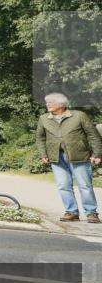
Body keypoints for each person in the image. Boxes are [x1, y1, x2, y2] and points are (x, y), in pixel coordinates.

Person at [36, 93, 102, 223]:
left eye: (50, 102)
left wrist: (97, 154)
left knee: (85, 185)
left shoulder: (79, 116)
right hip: (56, 157)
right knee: (63, 185)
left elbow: (93, 135)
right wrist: (43, 154)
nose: (47, 104)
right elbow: (40, 138)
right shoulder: (44, 118)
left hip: (79, 155)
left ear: (61, 104)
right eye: (47, 102)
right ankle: (71, 212)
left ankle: (91, 213)